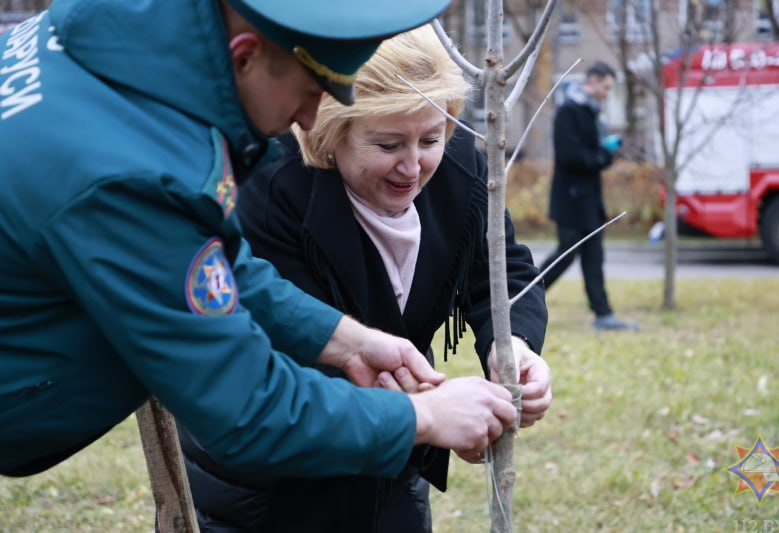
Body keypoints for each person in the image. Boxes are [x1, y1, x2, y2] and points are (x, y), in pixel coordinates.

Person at [0, 0, 520, 486]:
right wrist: (421, 416)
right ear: (246, 55)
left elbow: (203, 266)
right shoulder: (127, 177)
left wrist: (344, 339)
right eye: (312, 91)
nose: (315, 120)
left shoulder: (106, 55)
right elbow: (245, 407)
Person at [180, 25, 552, 532]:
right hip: (271, 481)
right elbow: (282, 349)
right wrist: (437, 414)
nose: (413, 165)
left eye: (430, 138)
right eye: (387, 143)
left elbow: (503, 271)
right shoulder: (270, 184)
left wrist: (515, 349)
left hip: (393, 469)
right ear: (332, 130)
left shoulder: (463, 168)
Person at [540, 61, 638, 331]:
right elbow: (571, 157)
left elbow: (585, 153)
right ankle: (524, 299)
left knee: (594, 257)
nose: (608, 93)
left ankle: (603, 314)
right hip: (571, 201)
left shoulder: (591, 113)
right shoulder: (569, 112)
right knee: (565, 255)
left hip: (589, 201)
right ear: (592, 82)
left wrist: (602, 151)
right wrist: (604, 155)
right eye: (606, 87)